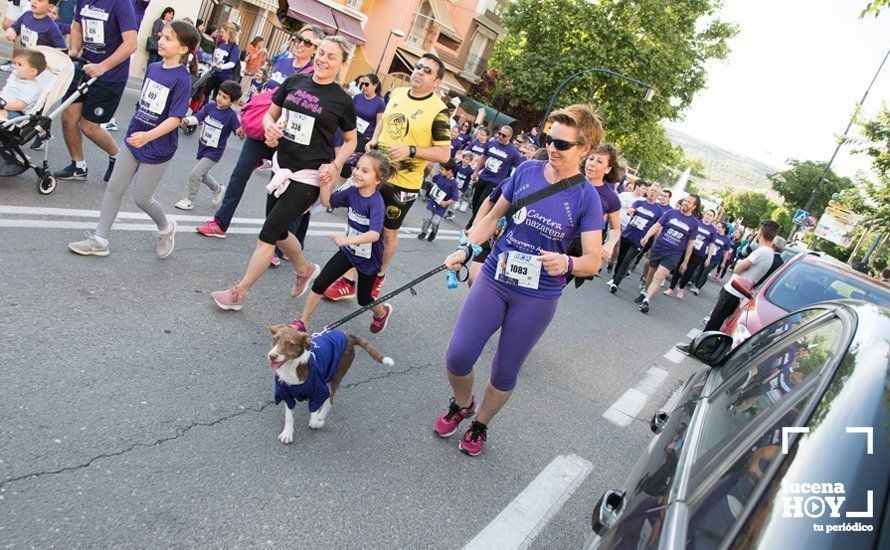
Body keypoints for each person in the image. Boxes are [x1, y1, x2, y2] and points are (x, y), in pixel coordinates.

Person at [434, 104, 605, 456]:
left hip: (537, 297)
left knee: (505, 369)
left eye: (563, 144)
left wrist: (568, 262)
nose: (553, 148)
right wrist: (466, 250)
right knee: (458, 355)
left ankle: (480, 423)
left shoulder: (588, 198)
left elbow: (592, 262)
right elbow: (493, 218)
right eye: (549, 139)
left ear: (585, 150)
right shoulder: (526, 170)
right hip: (496, 276)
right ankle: (463, 403)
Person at [209, 36, 358, 311]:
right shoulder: (295, 82)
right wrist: (270, 127)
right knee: (277, 232)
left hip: (309, 176)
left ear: (342, 64)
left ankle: (238, 294)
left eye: (331, 56)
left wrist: (335, 165)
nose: (323, 59)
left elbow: (351, 140)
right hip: (282, 166)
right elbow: (270, 115)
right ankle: (304, 268)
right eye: (321, 53)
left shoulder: (342, 100)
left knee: (268, 233)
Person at [322, 52, 451, 302]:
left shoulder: (440, 111)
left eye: (427, 71)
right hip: (377, 173)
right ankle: (349, 280)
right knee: (360, 223)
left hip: (403, 183)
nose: (419, 72)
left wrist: (412, 150)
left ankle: (378, 276)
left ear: (437, 82)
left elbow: (444, 154)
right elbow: (385, 122)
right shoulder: (399, 94)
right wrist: (374, 139)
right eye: (418, 67)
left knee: (388, 233)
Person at [67, 20, 199, 258]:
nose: (160, 40)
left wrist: (148, 135)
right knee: (114, 187)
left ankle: (166, 228)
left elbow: (175, 118)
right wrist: (137, 131)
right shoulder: (154, 68)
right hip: (134, 138)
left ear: (183, 49)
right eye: (162, 36)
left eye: (168, 38)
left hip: (157, 146)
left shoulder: (182, 79)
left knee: (141, 198)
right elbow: (145, 103)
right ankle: (100, 240)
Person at [195, 25, 323, 239]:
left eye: (308, 42)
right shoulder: (282, 62)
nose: (301, 44)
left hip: (285, 139)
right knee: (239, 175)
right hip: (262, 129)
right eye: (299, 38)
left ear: (315, 49)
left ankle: (279, 241)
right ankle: (220, 223)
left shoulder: (312, 74)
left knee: (281, 189)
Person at [293, 150, 394, 333]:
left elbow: (374, 235)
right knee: (320, 284)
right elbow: (327, 202)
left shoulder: (376, 203)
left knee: (364, 299)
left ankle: (381, 312)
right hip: (349, 251)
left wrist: (348, 240)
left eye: (365, 171)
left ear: (377, 180)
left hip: (368, 259)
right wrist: (324, 184)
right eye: (357, 167)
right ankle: (302, 323)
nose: (357, 172)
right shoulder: (352, 192)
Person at [53, 0, 137, 183]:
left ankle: (117, 157)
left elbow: (131, 44)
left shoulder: (121, 4)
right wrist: (75, 49)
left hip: (110, 75)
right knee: (68, 117)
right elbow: (77, 26)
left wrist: (103, 66)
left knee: (89, 127)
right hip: (84, 67)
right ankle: (78, 166)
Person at [679, 220, 781, 344]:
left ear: (760, 233)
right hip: (741, 291)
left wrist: (739, 263)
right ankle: (704, 346)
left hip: (735, 289)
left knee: (715, 320)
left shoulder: (762, 251)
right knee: (719, 322)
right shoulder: (769, 253)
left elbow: (737, 269)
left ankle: (698, 346)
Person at [174, 80, 242, 210]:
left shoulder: (231, 116)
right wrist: (187, 120)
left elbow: (237, 130)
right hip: (203, 146)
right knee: (203, 174)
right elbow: (198, 117)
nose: (220, 99)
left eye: (225, 97)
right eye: (219, 94)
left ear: (233, 102)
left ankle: (189, 199)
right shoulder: (210, 106)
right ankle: (218, 189)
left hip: (214, 152)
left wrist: (240, 132)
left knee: (195, 174)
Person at [635, 194, 701, 314]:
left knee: (659, 275)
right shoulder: (671, 213)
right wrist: (647, 236)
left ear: (694, 206)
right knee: (651, 272)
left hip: (673, 254)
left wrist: (685, 262)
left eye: (689, 202)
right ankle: (645, 291)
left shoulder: (694, 223)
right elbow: (657, 225)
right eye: (685, 200)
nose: (685, 203)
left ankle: (647, 300)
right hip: (659, 248)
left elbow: (690, 244)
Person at [607, 183, 663, 293]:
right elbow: (630, 210)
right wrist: (631, 211)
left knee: (627, 260)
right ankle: (615, 277)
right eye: (651, 190)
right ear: (647, 191)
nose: (652, 192)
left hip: (640, 240)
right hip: (628, 234)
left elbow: (657, 229)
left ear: (658, 195)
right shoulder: (639, 202)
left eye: (655, 191)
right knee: (621, 258)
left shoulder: (659, 211)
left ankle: (615, 283)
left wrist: (654, 244)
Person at [465, 124, 522, 230]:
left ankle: (471, 225)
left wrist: (514, 182)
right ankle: (478, 220)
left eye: (503, 135)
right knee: (475, 201)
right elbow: (483, 157)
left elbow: (518, 167)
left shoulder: (513, 151)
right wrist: (476, 171)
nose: (500, 136)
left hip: (495, 181)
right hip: (484, 176)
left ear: (509, 137)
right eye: (499, 133)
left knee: (482, 202)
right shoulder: (491, 143)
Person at [665, 209, 717, 299]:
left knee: (689, 272)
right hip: (687, 250)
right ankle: (671, 288)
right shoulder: (696, 223)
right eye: (707, 214)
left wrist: (709, 258)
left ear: (713, 218)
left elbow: (712, 245)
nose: (708, 216)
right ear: (704, 214)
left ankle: (681, 288)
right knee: (678, 268)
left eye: (711, 215)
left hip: (698, 254)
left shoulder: (713, 230)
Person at [0, 47, 46, 119]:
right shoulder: (16, 77)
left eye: (19, 64)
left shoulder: (31, 87)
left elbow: (20, 105)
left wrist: (3, 105)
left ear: (32, 71)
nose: (15, 67)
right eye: (14, 63)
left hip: (14, 112)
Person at [418, 159, 458, 241]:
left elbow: (454, 197)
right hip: (433, 201)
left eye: (442, 169)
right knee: (427, 219)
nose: (439, 170)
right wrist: (429, 168)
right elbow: (434, 177)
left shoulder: (453, 183)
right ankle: (424, 232)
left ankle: (434, 232)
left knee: (435, 222)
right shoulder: (441, 176)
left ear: (450, 171)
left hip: (441, 207)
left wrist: (446, 203)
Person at [201, 22, 238, 104]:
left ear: (228, 32)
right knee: (203, 93)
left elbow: (232, 63)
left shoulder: (234, 47)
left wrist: (220, 66)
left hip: (224, 77)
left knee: (217, 99)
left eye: (222, 32)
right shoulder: (220, 42)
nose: (221, 34)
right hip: (213, 73)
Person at [693, 221, 732, 293]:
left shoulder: (727, 240)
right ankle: (695, 285)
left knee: (705, 272)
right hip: (706, 255)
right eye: (717, 226)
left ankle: (698, 288)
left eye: (719, 227)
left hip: (715, 259)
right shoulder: (713, 234)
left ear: (724, 229)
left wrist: (723, 262)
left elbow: (726, 252)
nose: (717, 228)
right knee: (700, 270)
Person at [352, 72, 385, 154]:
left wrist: (374, 141)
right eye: (362, 84)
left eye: (366, 84)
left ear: (375, 85)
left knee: (351, 160)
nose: (363, 86)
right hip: (352, 132)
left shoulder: (380, 103)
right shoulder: (357, 97)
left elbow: (379, 124)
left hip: (365, 137)